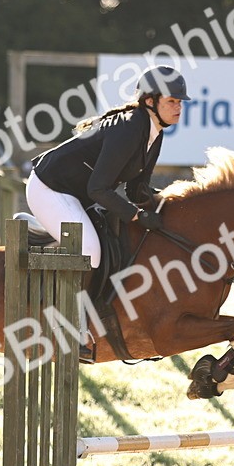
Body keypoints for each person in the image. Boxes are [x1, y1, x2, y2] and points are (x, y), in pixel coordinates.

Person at [27, 64, 189, 360]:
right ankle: (72, 329)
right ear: (150, 101)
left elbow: (137, 190)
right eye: (172, 101)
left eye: (180, 102)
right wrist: (137, 215)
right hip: (50, 188)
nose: (179, 108)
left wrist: (170, 204)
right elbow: (98, 188)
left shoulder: (154, 132)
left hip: (77, 196)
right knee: (90, 249)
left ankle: (45, 237)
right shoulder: (128, 128)